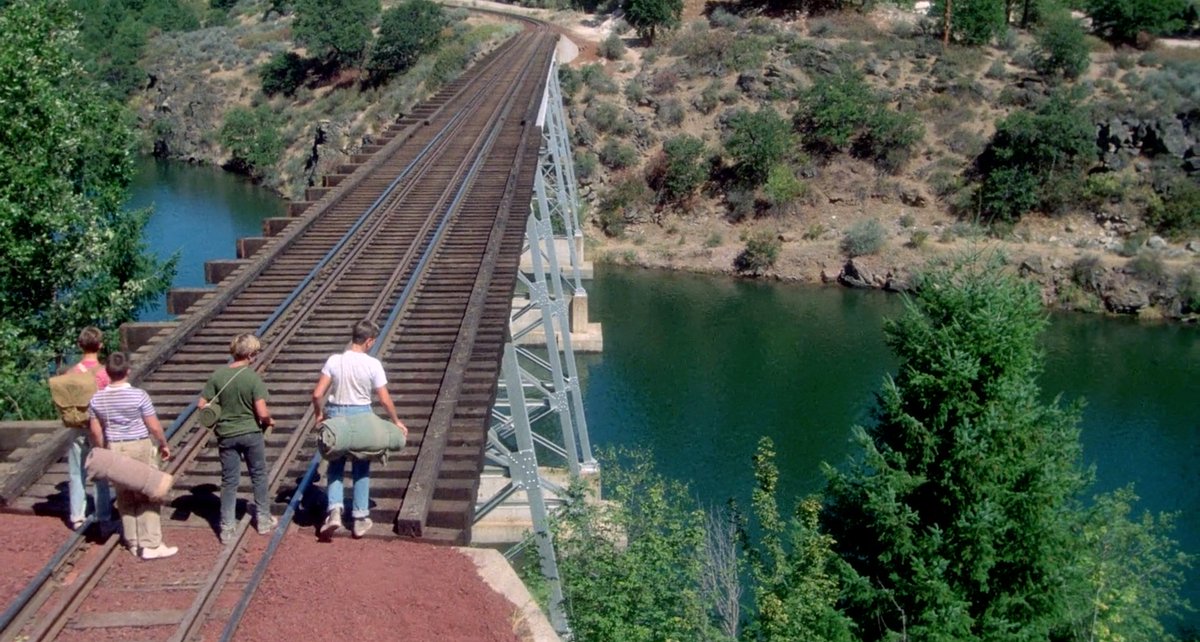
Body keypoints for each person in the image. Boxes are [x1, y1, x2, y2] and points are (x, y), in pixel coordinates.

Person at [311, 319, 407, 538]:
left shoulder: (334, 360)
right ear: (369, 341)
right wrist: (396, 421)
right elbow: (383, 399)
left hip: (336, 416)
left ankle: (334, 512)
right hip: (362, 416)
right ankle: (360, 518)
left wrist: (319, 415)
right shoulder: (373, 364)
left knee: (334, 466)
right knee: (362, 466)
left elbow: (317, 394)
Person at [87, 352, 177, 560]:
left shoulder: (97, 398)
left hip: (115, 447)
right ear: (128, 371)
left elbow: (96, 430)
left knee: (124, 495)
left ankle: (133, 539)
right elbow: (153, 426)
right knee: (148, 491)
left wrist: (103, 450)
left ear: (107, 372)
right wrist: (163, 443)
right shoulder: (139, 395)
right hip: (139, 446)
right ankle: (151, 543)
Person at [199, 333, 276, 545]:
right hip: (251, 433)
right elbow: (261, 412)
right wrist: (270, 421)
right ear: (250, 354)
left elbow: (202, 405)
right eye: (256, 353)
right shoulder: (253, 378)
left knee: (229, 480)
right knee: (259, 475)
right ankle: (263, 520)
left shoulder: (218, 376)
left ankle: (227, 528)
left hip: (226, 435)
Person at [65, 327, 112, 530]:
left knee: (77, 472)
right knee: (100, 472)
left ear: (79, 345)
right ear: (100, 345)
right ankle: (103, 514)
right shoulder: (103, 373)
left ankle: (77, 515)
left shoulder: (71, 372)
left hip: (77, 426)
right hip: (99, 427)